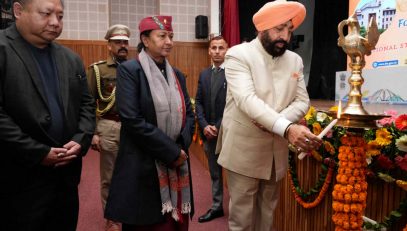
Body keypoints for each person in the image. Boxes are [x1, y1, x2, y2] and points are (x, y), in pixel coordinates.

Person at [216, 1, 322, 230]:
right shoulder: (238, 55)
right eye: (279, 29)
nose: (285, 36)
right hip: (244, 151)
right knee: (242, 220)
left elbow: (303, 101)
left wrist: (278, 123)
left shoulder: (294, 60)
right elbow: (247, 99)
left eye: (289, 30)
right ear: (262, 28)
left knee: (267, 216)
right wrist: (285, 127)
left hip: (275, 154)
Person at [0, 0, 95, 230]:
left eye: (60, 16)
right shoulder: (3, 48)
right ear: (18, 10)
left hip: (65, 179)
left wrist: (80, 140)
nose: (55, 22)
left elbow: (87, 104)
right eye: (46, 14)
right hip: (18, 180)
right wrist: (38, 152)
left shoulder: (70, 58)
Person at [104, 15, 195, 231]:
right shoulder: (130, 71)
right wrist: (171, 152)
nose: (169, 42)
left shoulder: (178, 75)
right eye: (162, 36)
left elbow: (189, 114)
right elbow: (132, 119)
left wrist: (181, 147)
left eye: (171, 36)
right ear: (145, 40)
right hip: (143, 163)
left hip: (176, 159)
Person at [87, 24, 130, 231]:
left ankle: (129, 213)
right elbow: (87, 103)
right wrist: (93, 133)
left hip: (132, 129)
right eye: (118, 42)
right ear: (109, 45)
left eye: (125, 42)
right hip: (108, 126)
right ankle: (112, 218)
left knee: (131, 172)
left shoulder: (135, 69)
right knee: (109, 176)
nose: (123, 46)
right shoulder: (98, 70)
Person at [195, 35, 228, 223]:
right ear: (209, 51)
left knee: (234, 176)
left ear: (227, 50)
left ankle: (240, 211)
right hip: (208, 133)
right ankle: (217, 207)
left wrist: (217, 125)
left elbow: (234, 105)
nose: (217, 51)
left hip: (228, 133)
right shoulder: (204, 74)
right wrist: (204, 124)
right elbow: (198, 101)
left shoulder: (233, 73)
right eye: (213, 48)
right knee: (215, 173)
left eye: (220, 48)